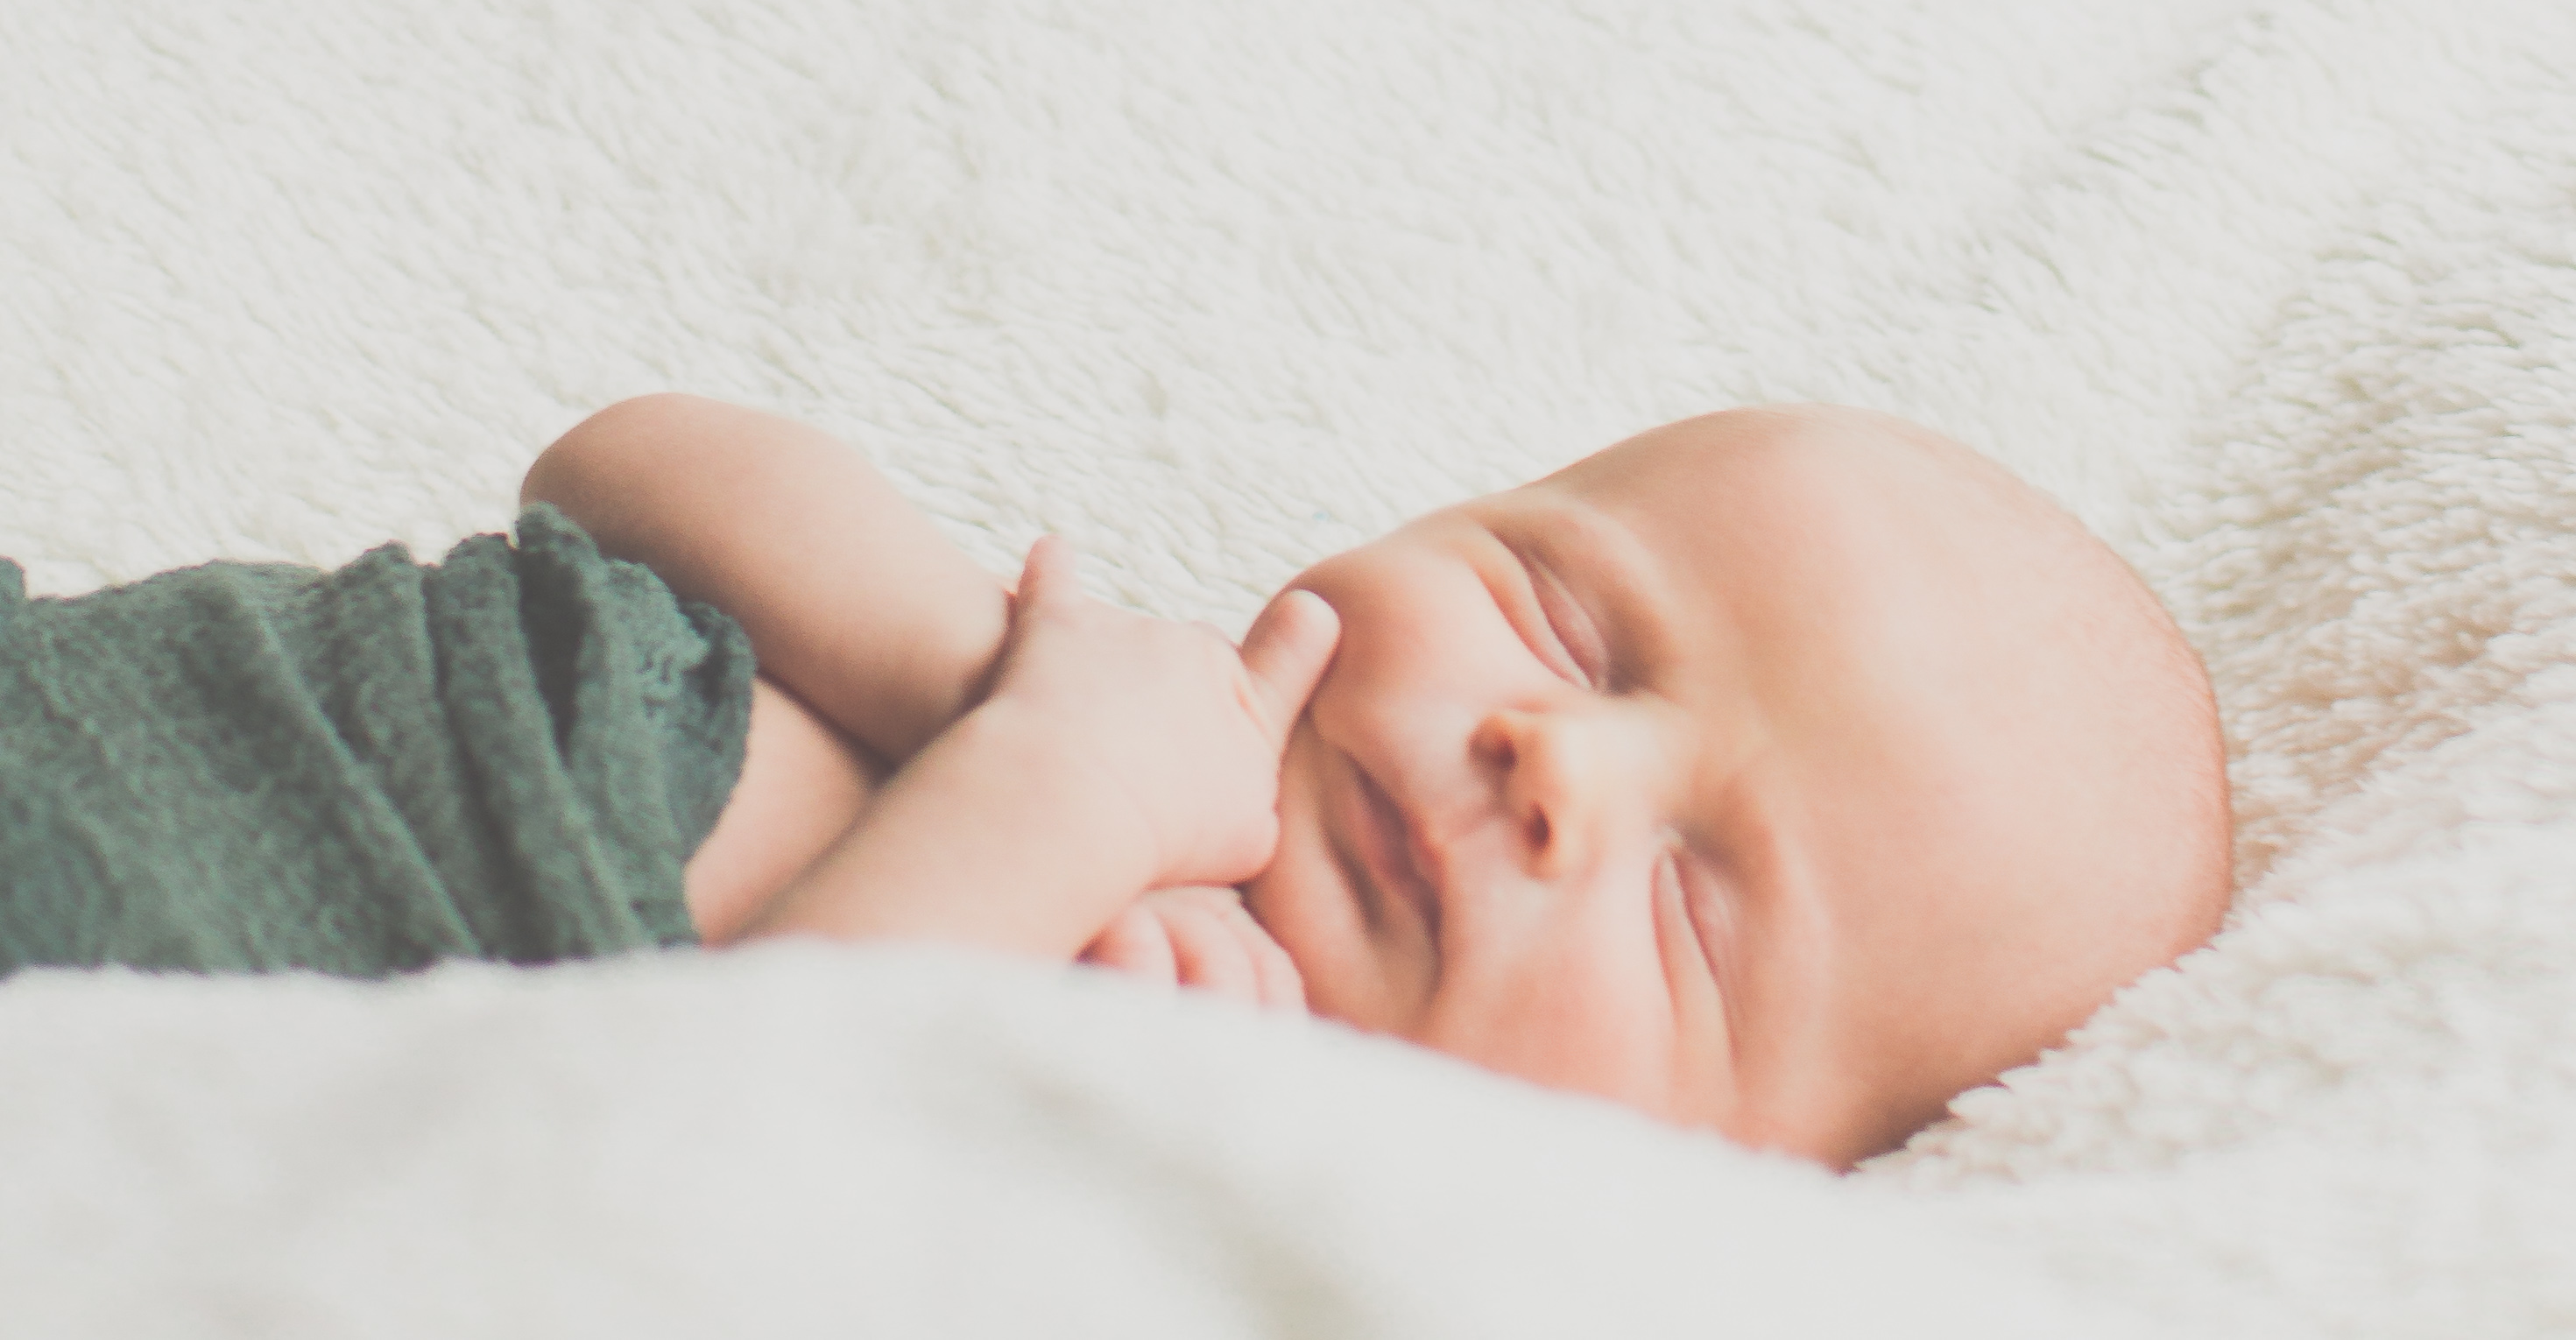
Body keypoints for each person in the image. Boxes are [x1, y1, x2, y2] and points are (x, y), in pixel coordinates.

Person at [0, 398, 2232, 1166]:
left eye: (1692, 908)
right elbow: (620, 461)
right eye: (1561, 617)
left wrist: (1042, 819)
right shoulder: (1087, 688)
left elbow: (674, 1155)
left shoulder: (1217, 1142)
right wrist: (990, 682)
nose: (1553, 757)